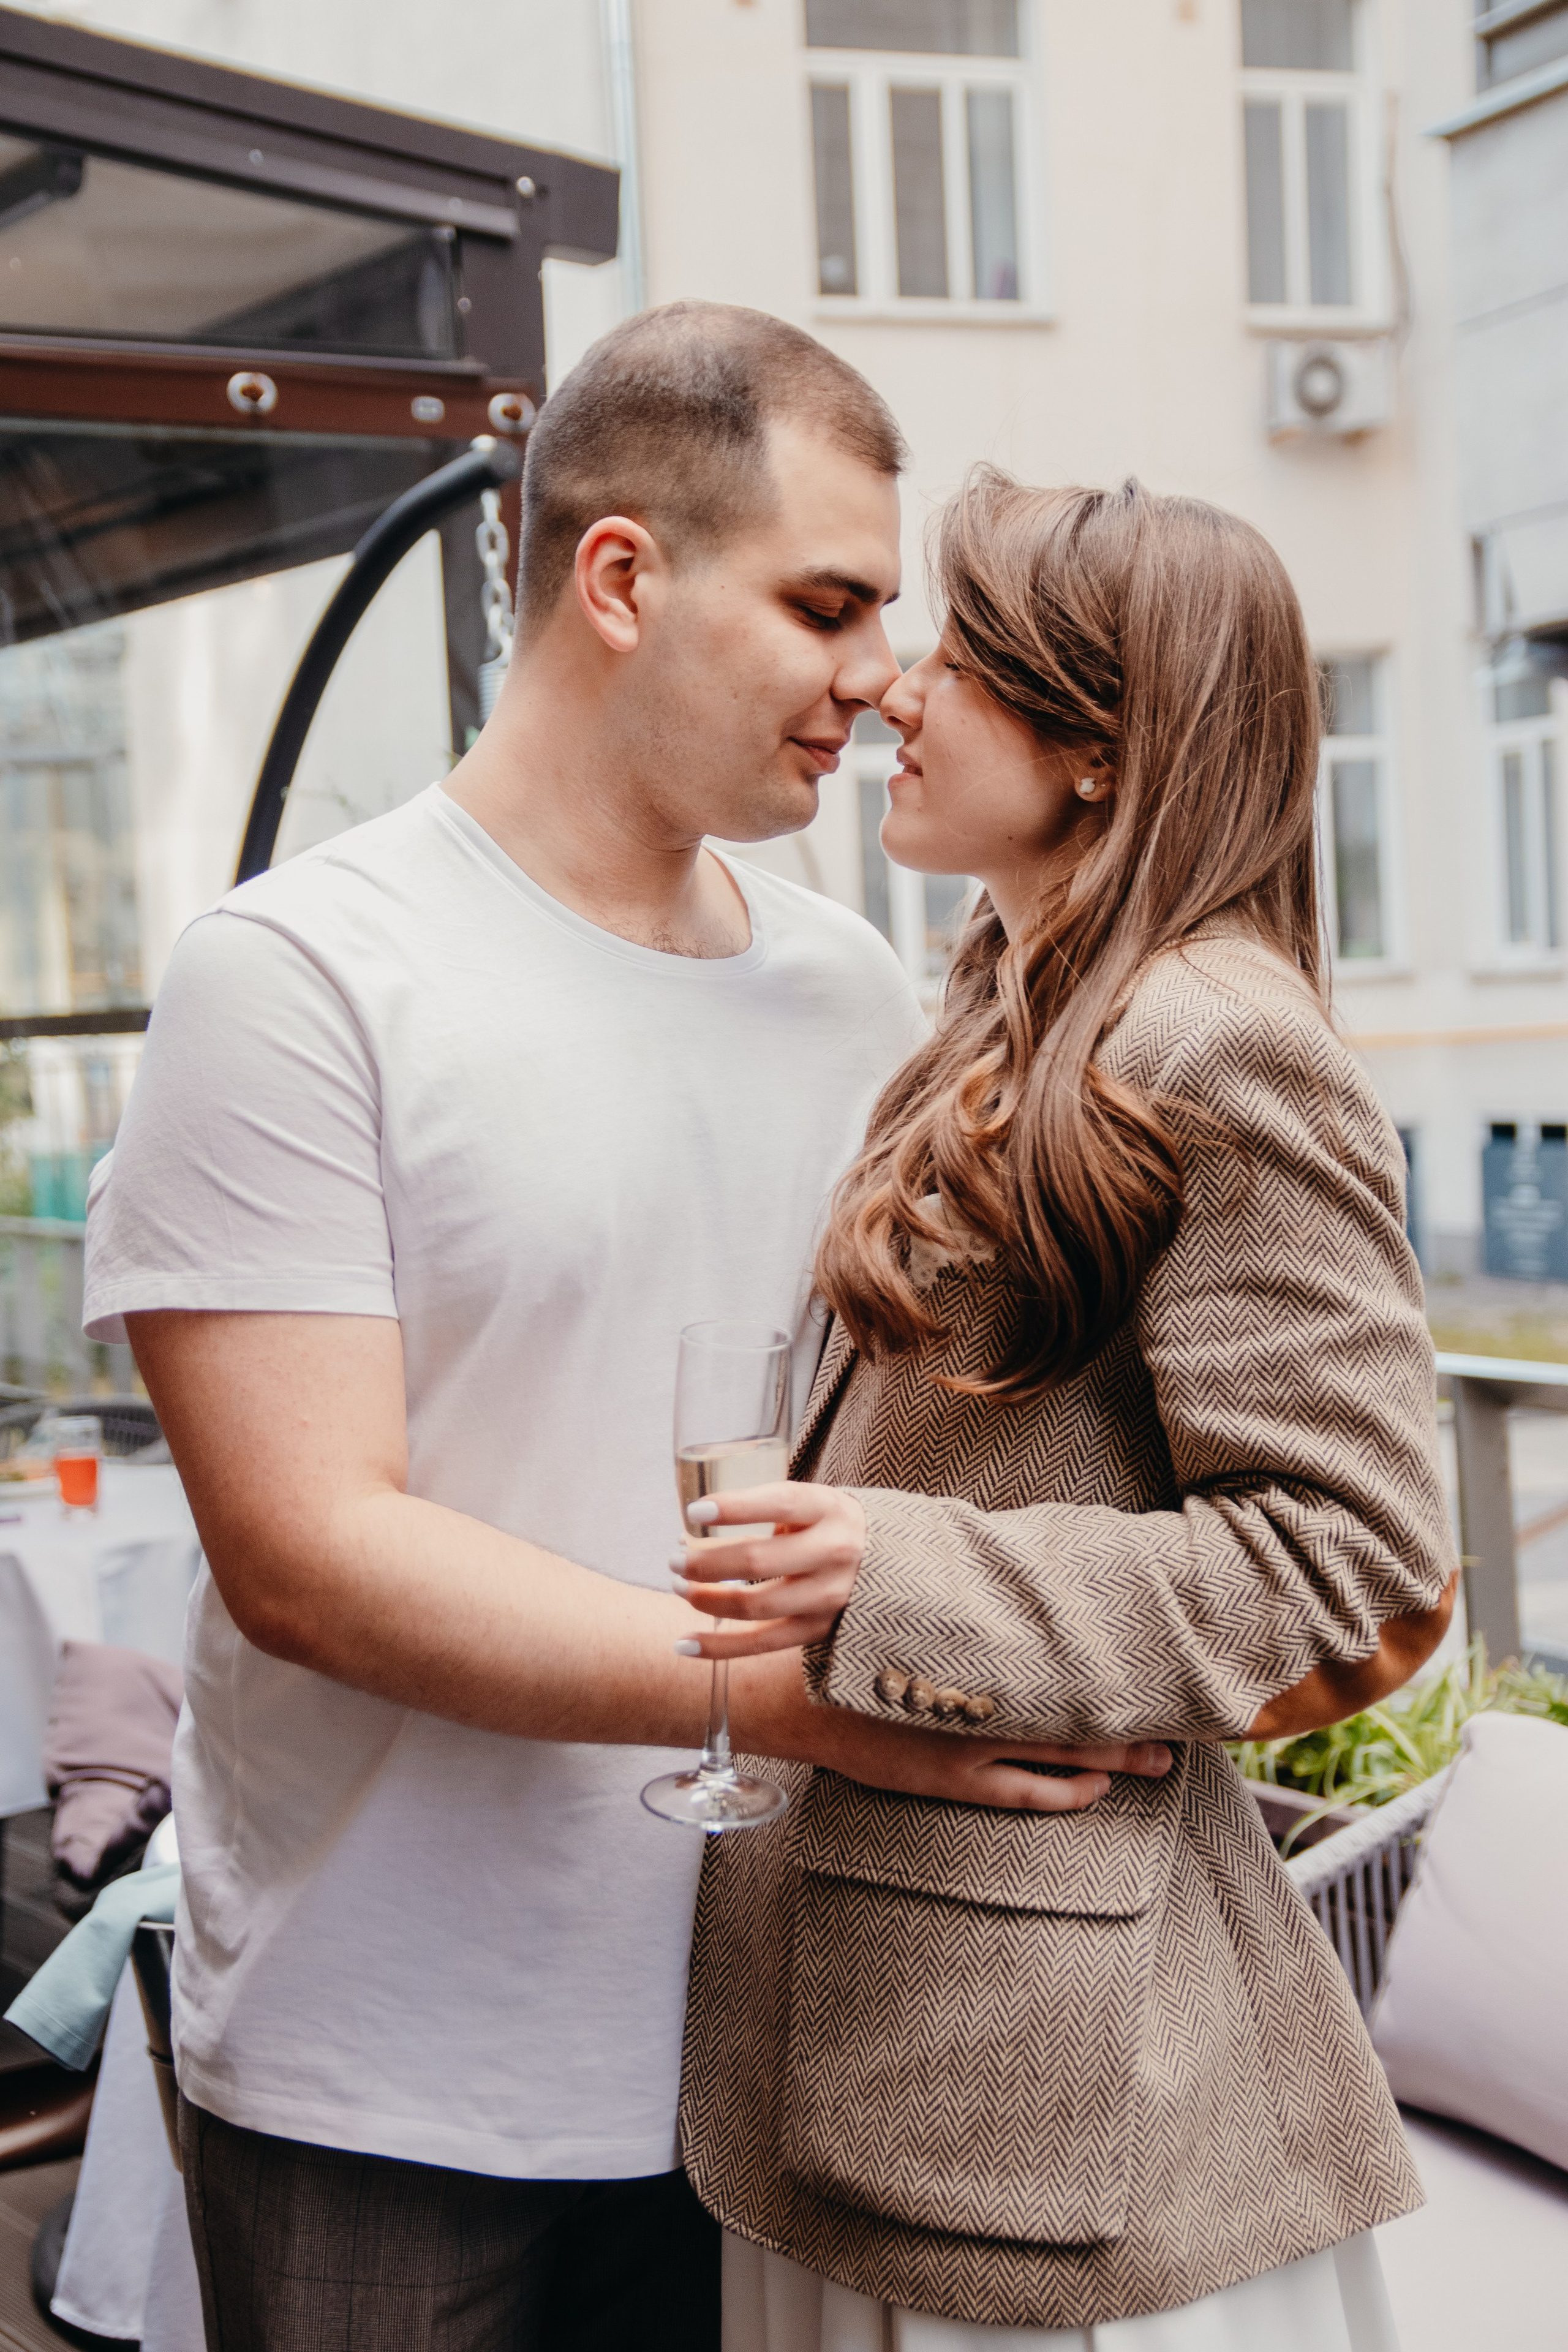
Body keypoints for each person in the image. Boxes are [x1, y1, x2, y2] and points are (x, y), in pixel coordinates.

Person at [81, 309, 1170, 2352]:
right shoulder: (300, 975)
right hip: (392, 2078)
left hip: (783, 2047)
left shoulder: (861, 993)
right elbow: (309, 1555)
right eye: (829, 603)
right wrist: (804, 1713)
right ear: (619, 579)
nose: (885, 675)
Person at [673, 470, 1459, 2350]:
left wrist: (892, 1568)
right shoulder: (1005, 1020)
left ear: (1100, 747)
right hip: (892, 2025)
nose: (892, 695)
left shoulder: (1215, 1039)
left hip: (1051, 2099)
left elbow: (1359, 1572)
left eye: (960, 658)